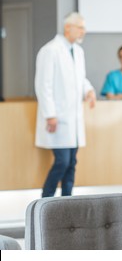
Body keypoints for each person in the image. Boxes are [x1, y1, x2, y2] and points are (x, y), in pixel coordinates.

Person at [35, 12, 96, 198]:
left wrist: (89, 90)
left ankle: (67, 203)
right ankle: (44, 203)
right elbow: (43, 84)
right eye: (80, 27)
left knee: (71, 164)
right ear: (68, 27)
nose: (83, 32)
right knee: (62, 162)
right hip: (58, 119)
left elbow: (80, 79)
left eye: (84, 28)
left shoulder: (78, 51)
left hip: (73, 120)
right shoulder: (50, 50)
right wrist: (50, 115)